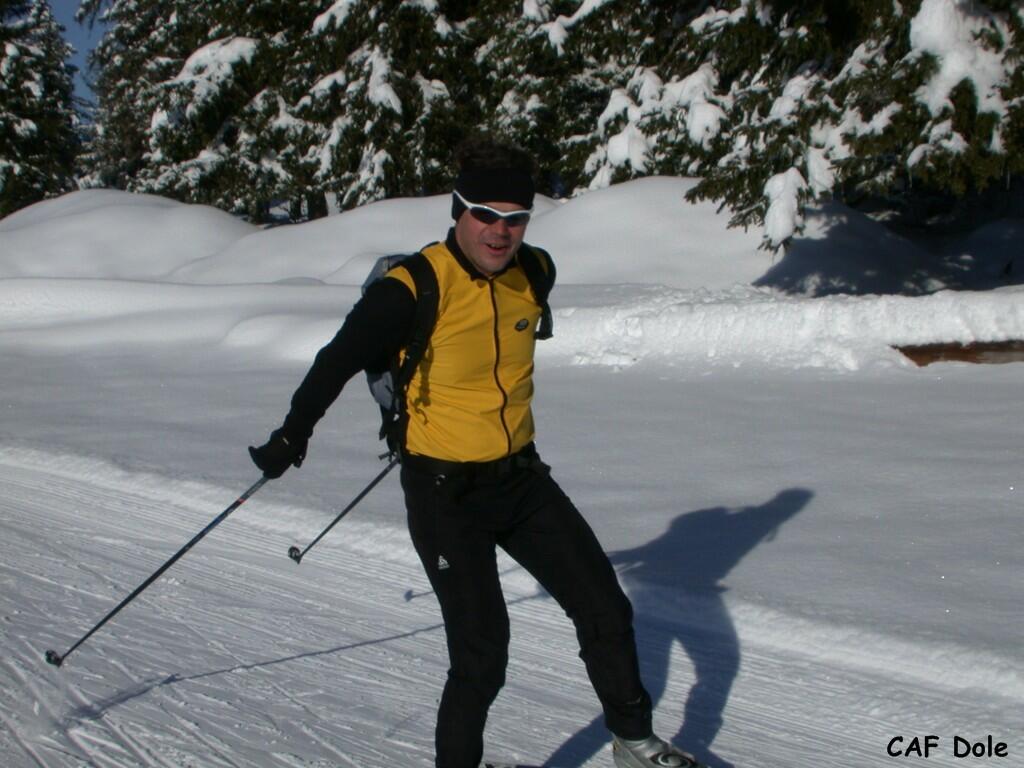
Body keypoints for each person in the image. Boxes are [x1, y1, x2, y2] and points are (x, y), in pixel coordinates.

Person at [249, 136, 700, 768]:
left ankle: (634, 743)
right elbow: (336, 361)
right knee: (482, 654)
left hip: (520, 478)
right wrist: (291, 436)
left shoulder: (534, 273)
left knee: (605, 608)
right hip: (444, 494)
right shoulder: (411, 288)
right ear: (459, 210)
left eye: (516, 218)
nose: (500, 232)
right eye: (486, 215)